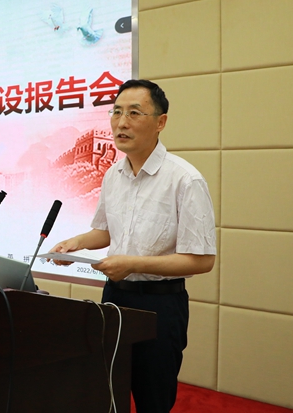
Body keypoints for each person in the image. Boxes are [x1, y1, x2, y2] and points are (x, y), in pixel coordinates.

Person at [50, 79, 217, 413]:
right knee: (107, 395)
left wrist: (133, 264)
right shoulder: (113, 175)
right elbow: (105, 232)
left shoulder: (185, 179)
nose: (121, 122)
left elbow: (201, 260)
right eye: (116, 112)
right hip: (114, 299)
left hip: (159, 306)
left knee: (152, 398)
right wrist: (75, 243)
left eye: (134, 113)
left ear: (160, 122)